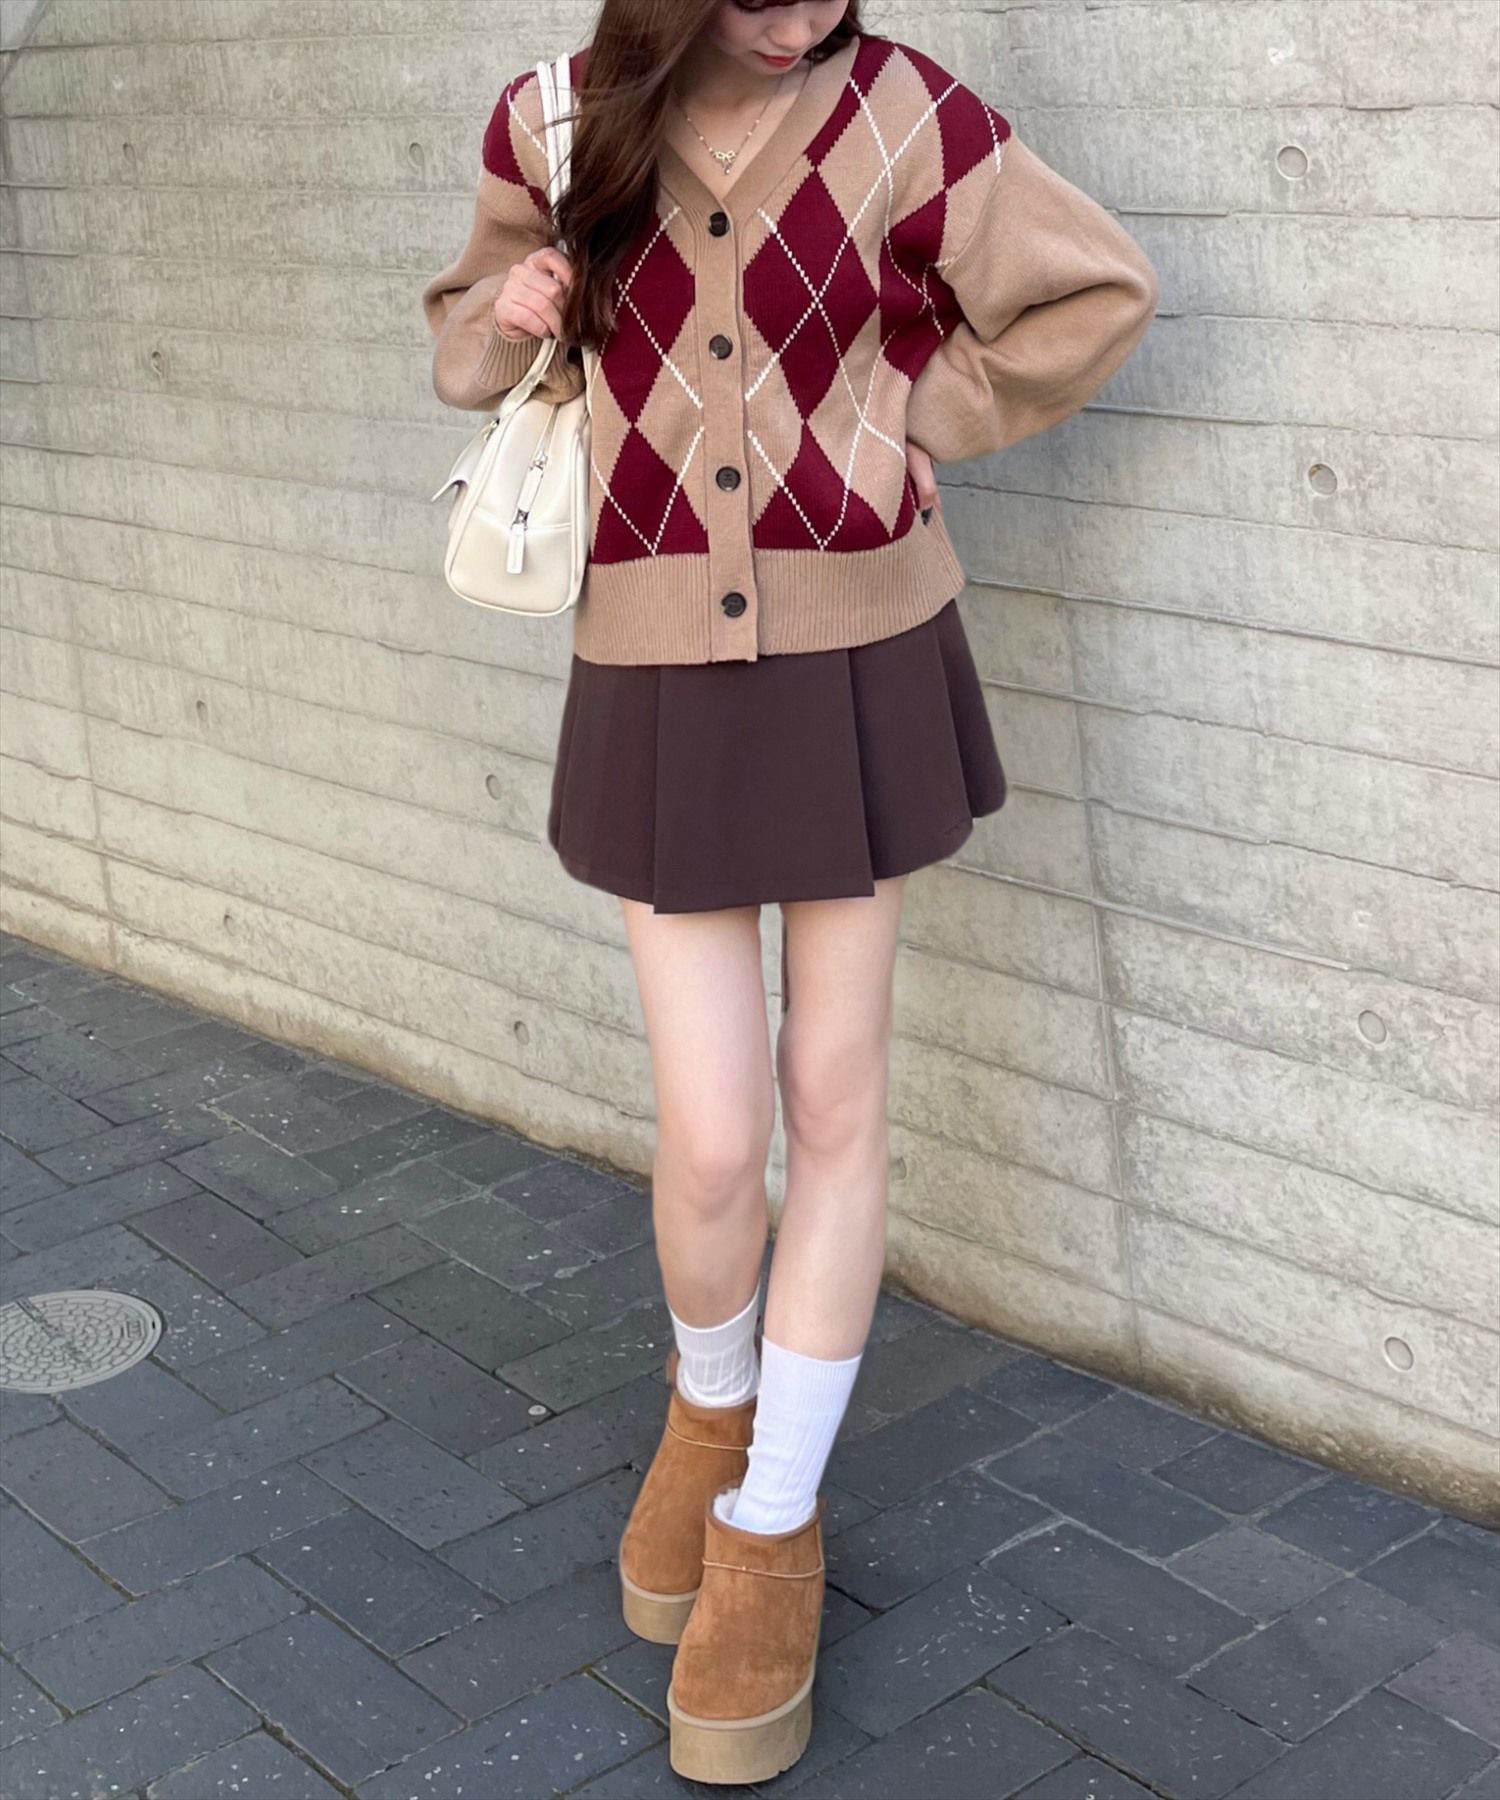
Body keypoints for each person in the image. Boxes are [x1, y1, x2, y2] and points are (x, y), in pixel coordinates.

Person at [421, 0, 1159, 1782]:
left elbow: (1095, 291)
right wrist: (510, 311)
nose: (794, 16)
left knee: (835, 1096)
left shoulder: (907, 114)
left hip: (863, 649)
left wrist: (921, 406)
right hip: (652, 663)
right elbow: (461, 338)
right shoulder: (556, 117)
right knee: (710, 1136)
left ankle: (772, 1516)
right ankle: (709, 1413)